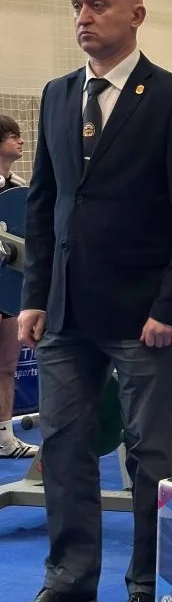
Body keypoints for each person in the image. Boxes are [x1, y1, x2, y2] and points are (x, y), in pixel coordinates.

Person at [6, 0, 172, 602]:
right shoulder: (57, 95)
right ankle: (69, 581)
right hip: (66, 312)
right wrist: (35, 296)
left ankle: (149, 588)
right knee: (64, 445)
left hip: (144, 313)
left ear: (137, 15)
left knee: (149, 456)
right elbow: (44, 205)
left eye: (98, 5)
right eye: (77, 6)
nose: (83, 17)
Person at [0, 115, 36, 459]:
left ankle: (4, 439)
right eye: (13, 136)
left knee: (7, 365)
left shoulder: (20, 187)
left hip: (8, 290)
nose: (20, 141)